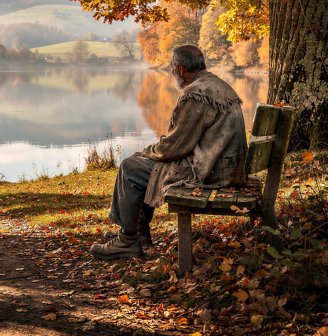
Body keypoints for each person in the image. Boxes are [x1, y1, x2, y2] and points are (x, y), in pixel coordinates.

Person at [90, 45, 247, 260]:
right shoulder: (216, 84)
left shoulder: (196, 93)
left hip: (209, 173)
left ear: (180, 70)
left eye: (172, 68)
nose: (171, 72)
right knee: (141, 165)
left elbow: (175, 147)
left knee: (131, 167)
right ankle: (137, 233)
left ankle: (127, 239)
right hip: (225, 167)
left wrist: (148, 152)